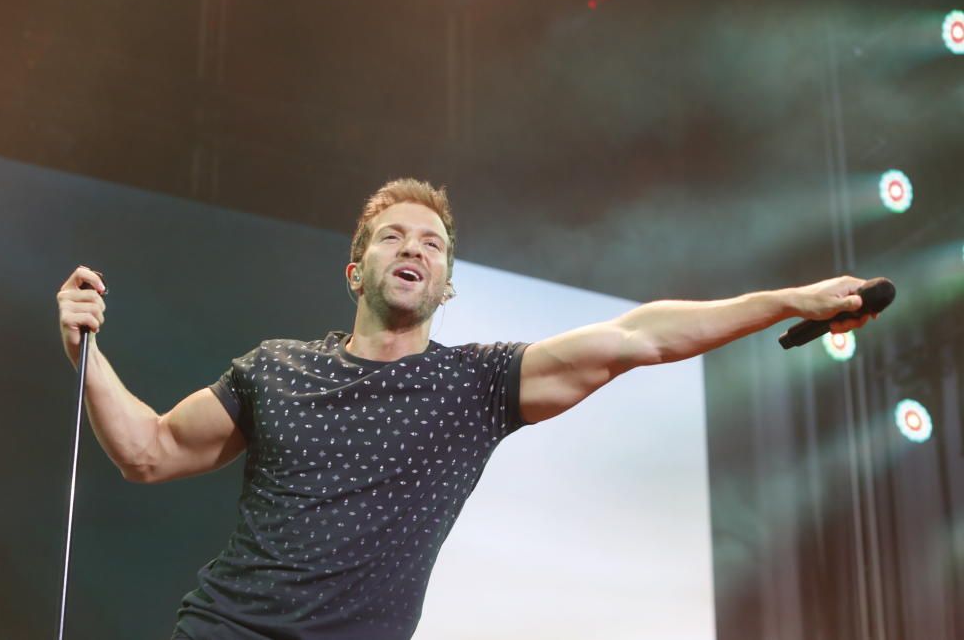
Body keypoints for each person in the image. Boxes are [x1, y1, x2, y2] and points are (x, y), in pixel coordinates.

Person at [56, 178, 874, 640]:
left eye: (432, 242)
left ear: (448, 284)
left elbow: (639, 337)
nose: (413, 247)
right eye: (391, 236)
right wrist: (85, 350)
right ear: (355, 270)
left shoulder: (475, 386)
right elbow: (149, 449)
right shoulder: (275, 369)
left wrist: (788, 299)